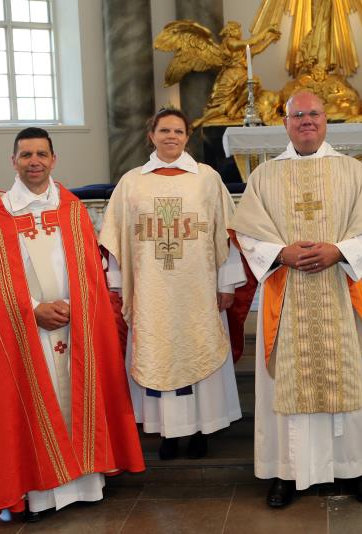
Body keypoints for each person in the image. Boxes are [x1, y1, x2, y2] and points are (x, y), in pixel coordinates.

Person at [0, 127, 145, 525]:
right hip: (23, 332)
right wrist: (32, 310)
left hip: (74, 325)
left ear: (54, 159)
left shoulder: (72, 209)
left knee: (76, 396)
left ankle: (86, 483)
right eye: (26, 154)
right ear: (13, 161)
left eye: (42, 154)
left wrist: (74, 308)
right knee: (32, 403)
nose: (34, 162)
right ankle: (38, 493)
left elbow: (90, 273)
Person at [229, 90, 362, 508]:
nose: (306, 121)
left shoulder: (352, 172)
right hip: (286, 295)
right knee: (283, 384)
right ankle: (285, 472)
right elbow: (246, 232)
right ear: (285, 123)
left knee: (350, 379)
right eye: (297, 115)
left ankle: (356, 468)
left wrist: (338, 251)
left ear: (325, 120)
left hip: (341, 290)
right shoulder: (264, 176)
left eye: (313, 114)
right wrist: (280, 254)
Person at [99, 108, 246, 461]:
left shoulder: (206, 178)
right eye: (164, 130)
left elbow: (225, 233)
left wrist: (227, 284)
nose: (171, 137)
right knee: (157, 350)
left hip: (199, 290)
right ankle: (167, 432)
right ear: (151, 135)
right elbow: (116, 239)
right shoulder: (132, 182)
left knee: (200, 346)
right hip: (151, 292)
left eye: (178, 131)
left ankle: (202, 429)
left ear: (186, 137)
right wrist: (118, 285)